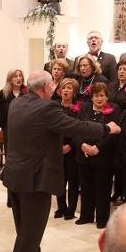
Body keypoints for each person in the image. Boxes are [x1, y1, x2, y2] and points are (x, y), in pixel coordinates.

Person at [1, 71, 119, 252]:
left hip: (16, 174)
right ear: (46, 87)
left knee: (25, 226)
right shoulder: (47, 108)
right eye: (53, 85)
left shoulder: (17, 103)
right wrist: (106, 128)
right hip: (35, 177)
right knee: (31, 228)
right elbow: (75, 126)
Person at [75, 82, 118, 229]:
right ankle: (86, 215)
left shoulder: (113, 110)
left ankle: (102, 219)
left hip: (103, 157)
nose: (99, 99)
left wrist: (97, 148)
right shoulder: (85, 108)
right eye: (96, 96)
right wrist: (82, 145)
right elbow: (77, 128)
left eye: (102, 96)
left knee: (102, 189)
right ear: (91, 97)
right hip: (84, 155)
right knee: (86, 188)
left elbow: (113, 133)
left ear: (107, 97)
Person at [54, 78, 82, 219]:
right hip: (57, 148)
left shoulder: (79, 108)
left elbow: (79, 129)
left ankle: (71, 209)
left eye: (69, 88)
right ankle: (61, 208)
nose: (66, 90)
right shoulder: (54, 107)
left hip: (73, 148)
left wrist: (70, 145)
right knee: (59, 180)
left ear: (74, 91)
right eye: (64, 88)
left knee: (73, 181)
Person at [0, 69, 25, 147]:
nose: (19, 78)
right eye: (15, 76)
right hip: (8, 128)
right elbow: (0, 113)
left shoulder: (27, 93)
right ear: (10, 79)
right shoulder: (2, 95)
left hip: (24, 128)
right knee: (10, 152)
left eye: (20, 76)